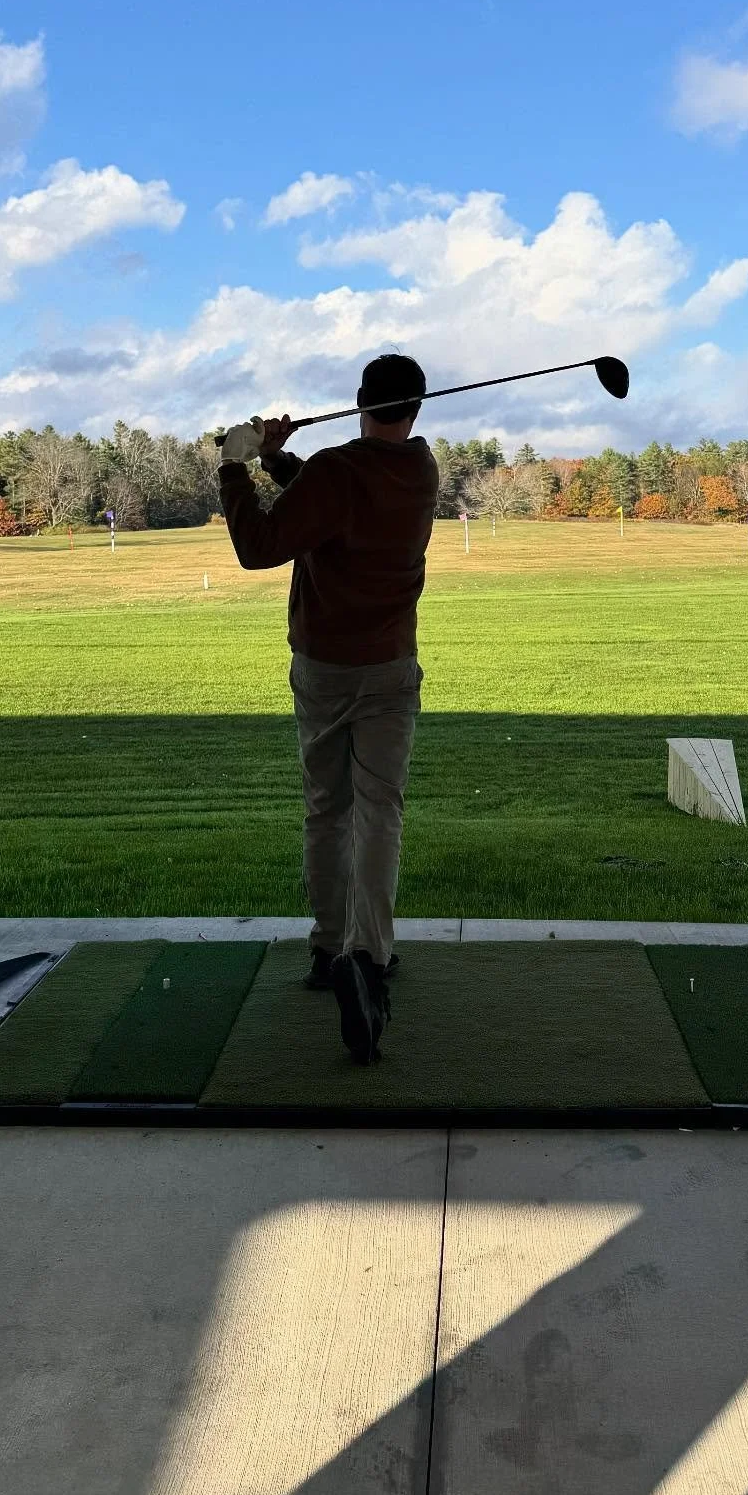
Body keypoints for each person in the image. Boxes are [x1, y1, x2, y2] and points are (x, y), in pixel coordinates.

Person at [215, 354, 438, 1065]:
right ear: (417, 410)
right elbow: (331, 499)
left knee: (327, 809)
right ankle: (371, 957)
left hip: (324, 670)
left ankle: (325, 949)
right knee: (381, 809)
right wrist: (280, 464)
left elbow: (259, 546)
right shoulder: (420, 470)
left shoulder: (340, 470)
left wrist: (235, 464)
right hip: (391, 668)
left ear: (360, 402)